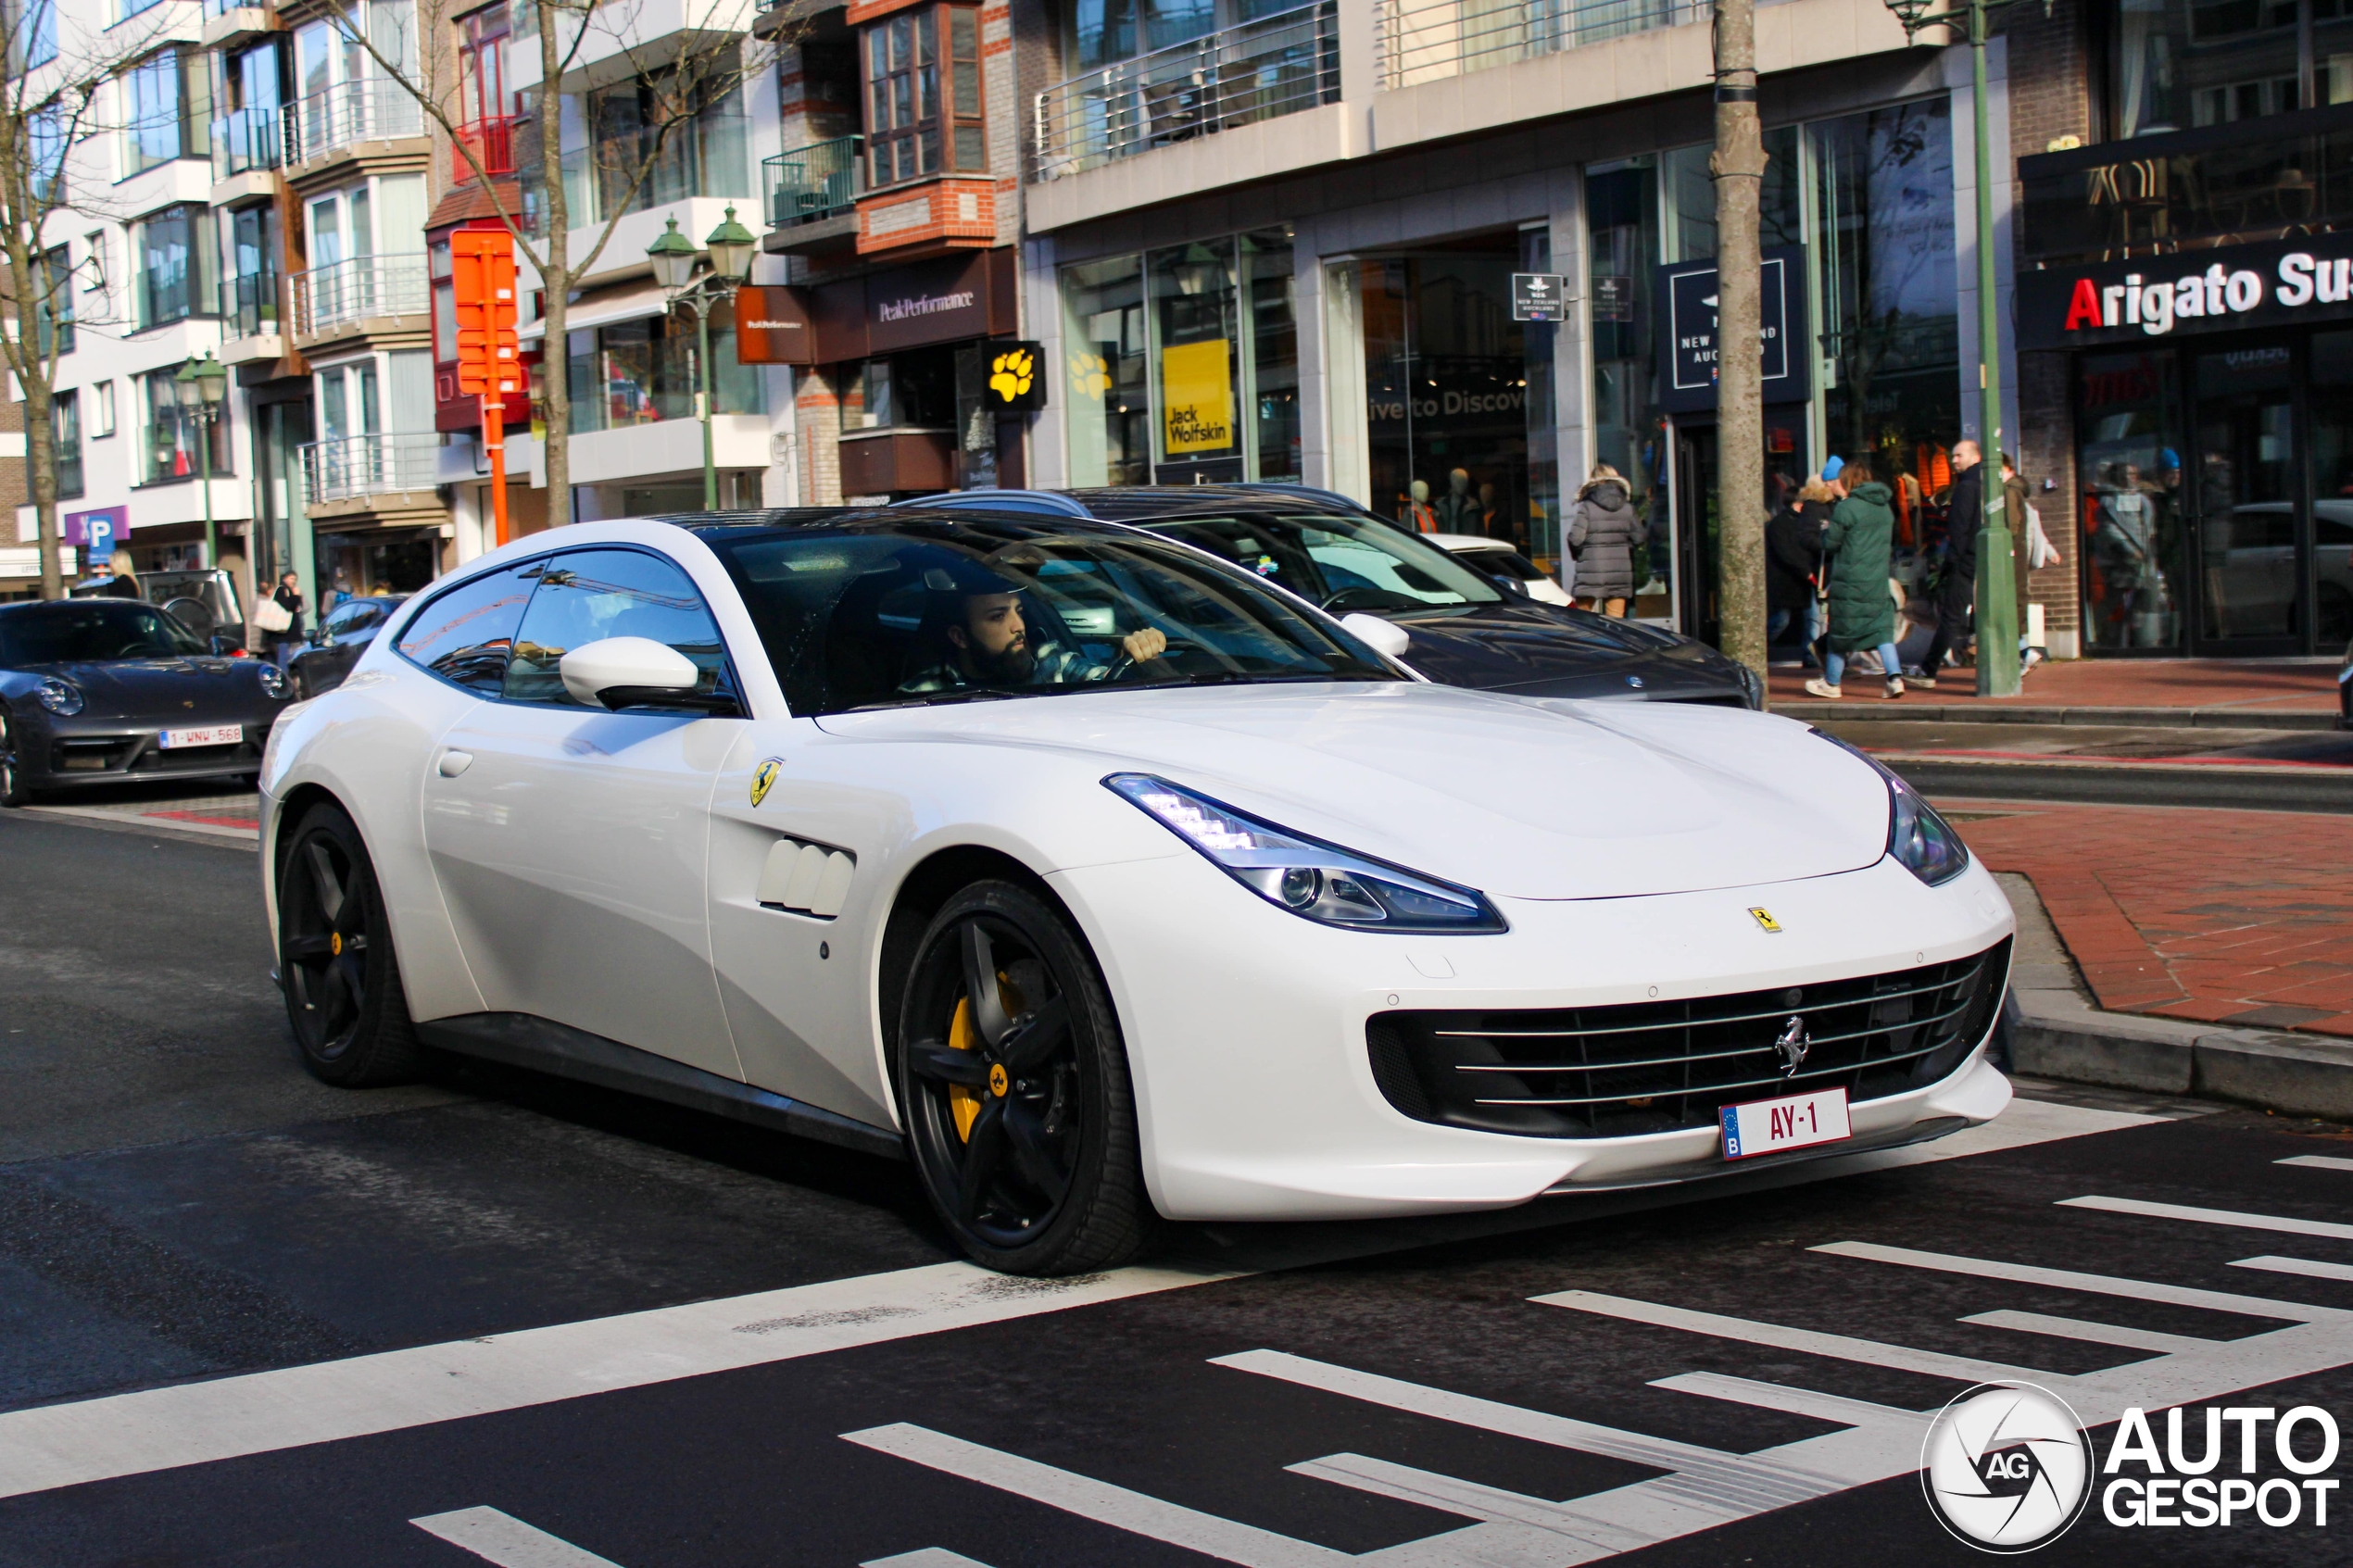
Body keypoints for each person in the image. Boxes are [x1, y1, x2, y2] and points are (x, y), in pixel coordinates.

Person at [899, 562, 1166, 694]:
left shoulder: (1050, 662)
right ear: (960, 637)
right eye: (997, 617)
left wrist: (1133, 653)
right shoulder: (924, 692)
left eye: (1019, 611)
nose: (1018, 626)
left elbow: (1103, 681)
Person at [1805, 455, 1904, 700]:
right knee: (1882, 632)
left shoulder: (1846, 508)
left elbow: (1831, 542)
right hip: (1877, 579)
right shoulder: (1884, 509)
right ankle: (1895, 678)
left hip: (1849, 581)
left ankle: (1832, 683)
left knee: (1840, 634)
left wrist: (1826, 532)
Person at [1913, 439, 1984, 689]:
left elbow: (1960, 529)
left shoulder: (1966, 487)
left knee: (1951, 616)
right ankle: (2022, 652)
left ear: (1974, 457)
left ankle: (1929, 669)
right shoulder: (1988, 484)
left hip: (1965, 561)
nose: (1953, 461)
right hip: (1982, 559)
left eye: (1958, 456)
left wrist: (1951, 562)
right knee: (1984, 613)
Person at [1766, 478, 1833, 661]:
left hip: (1805, 578)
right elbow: (1786, 553)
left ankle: (1810, 656)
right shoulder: (1779, 524)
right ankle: (1763, 647)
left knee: (1811, 619)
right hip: (1788, 579)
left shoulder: (1803, 523)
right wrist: (1807, 571)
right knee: (1782, 620)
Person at [1567, 462, 1642, 618]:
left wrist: (1579, 555)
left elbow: (1575, 538)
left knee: (1583, 621)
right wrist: (1623, 548)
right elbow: (1639, 536)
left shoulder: (1587, 507)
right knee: (1616, 622)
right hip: (1619, 572)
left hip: (1590, 570)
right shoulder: (1627, 508)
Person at [269, 571, 306, 669]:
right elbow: (288, 606)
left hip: (289, 629)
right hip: (284, 629)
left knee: (291, 654)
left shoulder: (290, 590)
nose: (293, 581)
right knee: (283, 656)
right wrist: (296, 596)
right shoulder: (282, 590)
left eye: (295, 579)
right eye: (291, 578)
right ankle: (284, 676)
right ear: (285, 578)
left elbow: (302, 606)